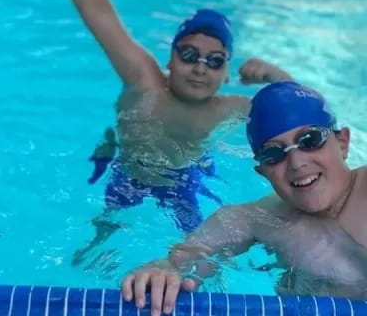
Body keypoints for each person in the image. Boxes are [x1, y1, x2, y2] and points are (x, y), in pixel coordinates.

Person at [53, 0, 293, 264]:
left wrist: (278, 77)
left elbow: (301, 118)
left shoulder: (229, 107)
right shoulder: (144, 81)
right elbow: (98, 14)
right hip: (129, 170)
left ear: (226, 74)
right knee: (104, 231)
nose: (199, 69)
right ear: (170, 59)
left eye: (215, 61)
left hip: (181, 181)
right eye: (189, 55)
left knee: (199, 254)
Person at [121, 81, 367, 316]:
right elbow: (188, 258)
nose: (297, 163)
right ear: (263, 171)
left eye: (310, 140)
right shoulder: (257, 219)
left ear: (343, 143)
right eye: (273, 153)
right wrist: (164, 270)